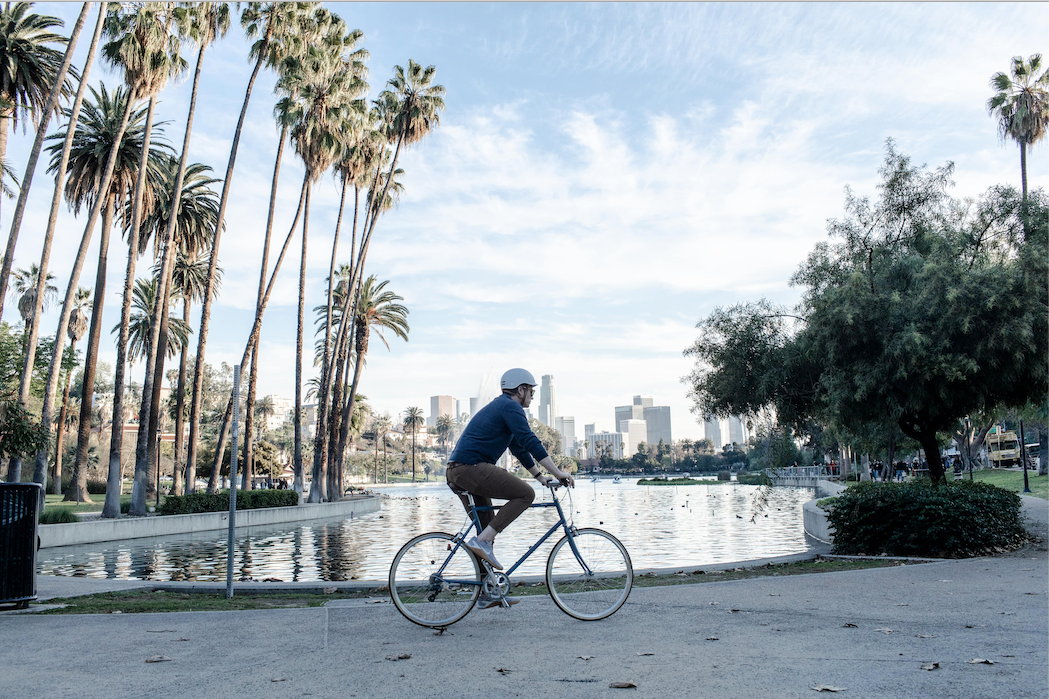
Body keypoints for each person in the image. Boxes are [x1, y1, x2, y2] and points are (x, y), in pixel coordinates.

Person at [446, 368, 575, 609]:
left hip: (461, 470)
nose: (533, 396)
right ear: (520, 389)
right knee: (525, 494)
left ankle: (487, 591)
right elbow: (530, 440)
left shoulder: (504, 408)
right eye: (531, 390)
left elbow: (518, 448)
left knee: (486, 529)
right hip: (470, 468)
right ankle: (482, 543)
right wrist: (557, 472)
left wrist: (540, 476)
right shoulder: (510, 406)